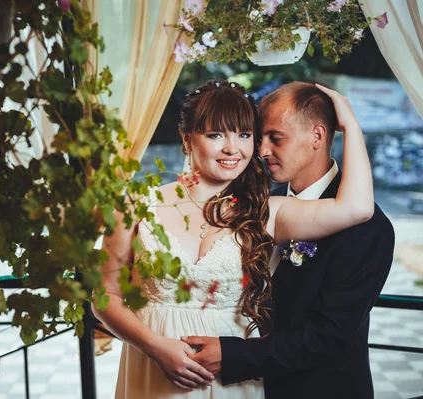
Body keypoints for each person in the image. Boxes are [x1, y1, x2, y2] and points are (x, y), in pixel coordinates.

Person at [92, 79, 374, 398]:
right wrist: (155, 347)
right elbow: (104, 296)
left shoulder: (269, 211)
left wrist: (350, 124)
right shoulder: (135, 206)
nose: (232, 148)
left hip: (232, 378)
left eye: (244, 135)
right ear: (187, 139)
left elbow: (358, 208)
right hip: (152, 371)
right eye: (216, 135)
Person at [183, 82, 394, 399]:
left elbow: (329, 336)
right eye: (260, 136)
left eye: (276, 138)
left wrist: (233, 356)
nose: (262, 150)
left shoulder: (368, 227)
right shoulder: (265, 204)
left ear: (317, 137)